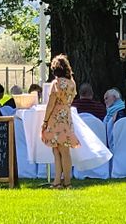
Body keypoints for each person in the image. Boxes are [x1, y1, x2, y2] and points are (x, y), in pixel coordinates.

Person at [41, 54, 80, 189]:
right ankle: (62, 181)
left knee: (57, 150)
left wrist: (45, 121)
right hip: (66, 117)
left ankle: (61, 181)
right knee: (64, 150)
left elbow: (51, 104)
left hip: (55, 118)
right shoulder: (72, 83)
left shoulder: (56, 84)